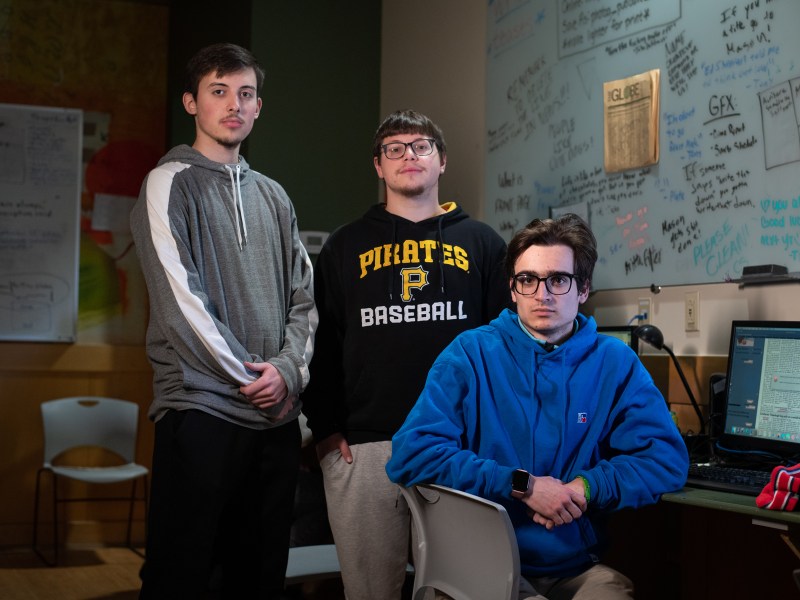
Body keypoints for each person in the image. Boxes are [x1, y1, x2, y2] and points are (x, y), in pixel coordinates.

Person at [386, 214, 689, 599]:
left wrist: (587, 487)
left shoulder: (615, 361)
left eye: (558, 280)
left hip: (574, 567)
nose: (541, 295)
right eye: (527, 280)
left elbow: (666, 460)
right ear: (513, 289)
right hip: (482, 563)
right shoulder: (469, 354)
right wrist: (522, 485)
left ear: (583, 290)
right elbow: (411, 454)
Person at [130, 42, 316, 599]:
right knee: (182, 576)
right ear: (192, 102)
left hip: (275, 421)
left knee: (258, 578)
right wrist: (250, 377)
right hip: (201, 411)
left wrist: (286, 372)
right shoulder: (168, 183)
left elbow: (303, 298)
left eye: (246, 94)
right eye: (218, 92)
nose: (234, 105)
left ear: (259, 107)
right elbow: (180, 302)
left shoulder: (274, 197)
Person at [300, 109, 510, 599]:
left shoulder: (482, 242)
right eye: (394, 148)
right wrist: (327, 429)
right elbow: (320, 342)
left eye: (421, 146)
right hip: (365, 448)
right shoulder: (344, 245)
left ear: (442, 162)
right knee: (370, 591)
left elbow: (506, 345)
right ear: (378, 166)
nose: (408, 156)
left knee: (458, 589)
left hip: (460, 444)